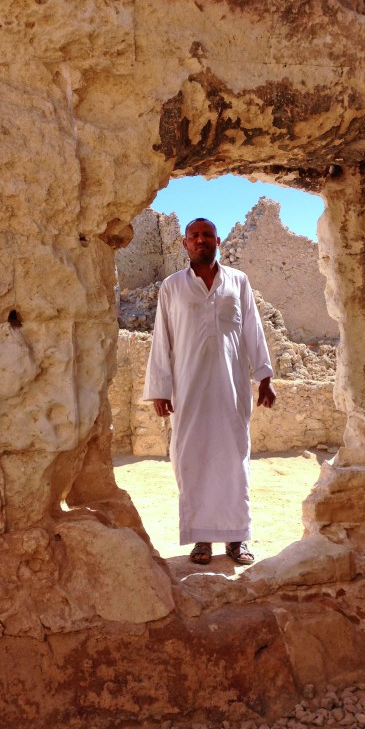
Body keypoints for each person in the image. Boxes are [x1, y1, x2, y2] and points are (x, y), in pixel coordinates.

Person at [143, 217, 276, 566]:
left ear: (218, 240)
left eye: (207, 235)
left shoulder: (238, 282)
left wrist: (264, 376)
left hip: (231, 390)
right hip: (189, 390)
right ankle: (202, 539)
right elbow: (163, 339)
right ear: (184, 244)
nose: (200, 240)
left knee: (234, 460)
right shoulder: (171, 287)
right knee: (192, 460)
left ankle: (236, 539)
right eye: (194, 236)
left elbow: (253, 329)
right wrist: (160, 387)